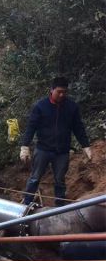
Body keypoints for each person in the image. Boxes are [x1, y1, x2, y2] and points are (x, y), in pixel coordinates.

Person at [20, 77, 92, 206]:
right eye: (59, 91)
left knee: (60, 180)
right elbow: (31, 127)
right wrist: (25, 146)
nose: (62, 94)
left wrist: (85, 146)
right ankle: (27, 203)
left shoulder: (71, 107)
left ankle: (60, 206)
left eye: (64, 92)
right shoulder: (40, 106)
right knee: (35, 177)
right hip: (43, 149)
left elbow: (78, 127)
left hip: (62, 151)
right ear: (52, 90)